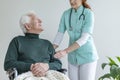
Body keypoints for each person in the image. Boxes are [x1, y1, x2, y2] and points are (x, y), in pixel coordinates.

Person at [4, 11, 62, 77]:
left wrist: (46, 66)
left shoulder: (47, 43)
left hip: (48, 75)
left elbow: (58, 63)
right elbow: (8, 64)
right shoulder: (17, 41)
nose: (41, 21)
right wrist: (31, 67)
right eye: (36, 20)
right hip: (27, 76)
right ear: (28, 26)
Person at [53, 0, 99, 80]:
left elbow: (84, 39)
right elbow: (59, 35)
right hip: (72, 58)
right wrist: (50, 51)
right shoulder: (66, 14)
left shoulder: (88, 13)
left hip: (87, 57)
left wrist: (65, 51)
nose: (71, 1)